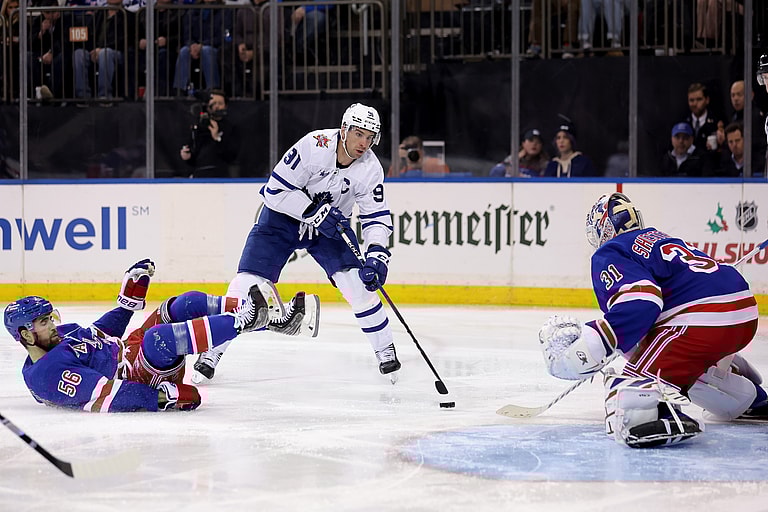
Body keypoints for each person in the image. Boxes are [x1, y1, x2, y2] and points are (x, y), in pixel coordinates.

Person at [192, 103, 400, 384]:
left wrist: (377, 253)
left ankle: (385, 349)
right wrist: (312, 211)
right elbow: (275, 190)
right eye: (358, 134)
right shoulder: (314, 146)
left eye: (370, 136)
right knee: (245, 286)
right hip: (282, 220)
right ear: (344, 130)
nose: (364, 143)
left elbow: (375, 216)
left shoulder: (371, 169)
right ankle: (212, 351)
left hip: (330, 228)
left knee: (357, 284)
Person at [538, 192, 765, 448]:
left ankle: (656, 416)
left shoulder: (610, 251)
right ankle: (748, 399)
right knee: (662, 359)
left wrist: (592, 345)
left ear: (604, 227)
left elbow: (642, 301)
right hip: (743, 314)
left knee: (632, 387)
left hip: (700, 321)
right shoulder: (660, 239)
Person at [2, 258, 314, 412]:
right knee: (158, 339)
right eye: (43, 322)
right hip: (136, 375)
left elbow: (100, 335)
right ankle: (245, 319)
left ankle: (274, 317)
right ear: (26, 335)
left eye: (49, 318)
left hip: (129, 348)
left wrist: (126, 303)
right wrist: (165, 399)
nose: (52, 324)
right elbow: (108, 397)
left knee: (184, 303)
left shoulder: (62, 335)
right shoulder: (45, 374)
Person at [179, 89, 241, 178]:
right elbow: (194, 152)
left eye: (220, 103)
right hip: (200, 175)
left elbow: (231, 156)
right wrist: (187, 156)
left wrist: (217, 138)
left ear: (225, 106)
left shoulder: (231, 128)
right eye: (213, 103)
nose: (216, 106)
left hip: (221, 176)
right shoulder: (199, 126)